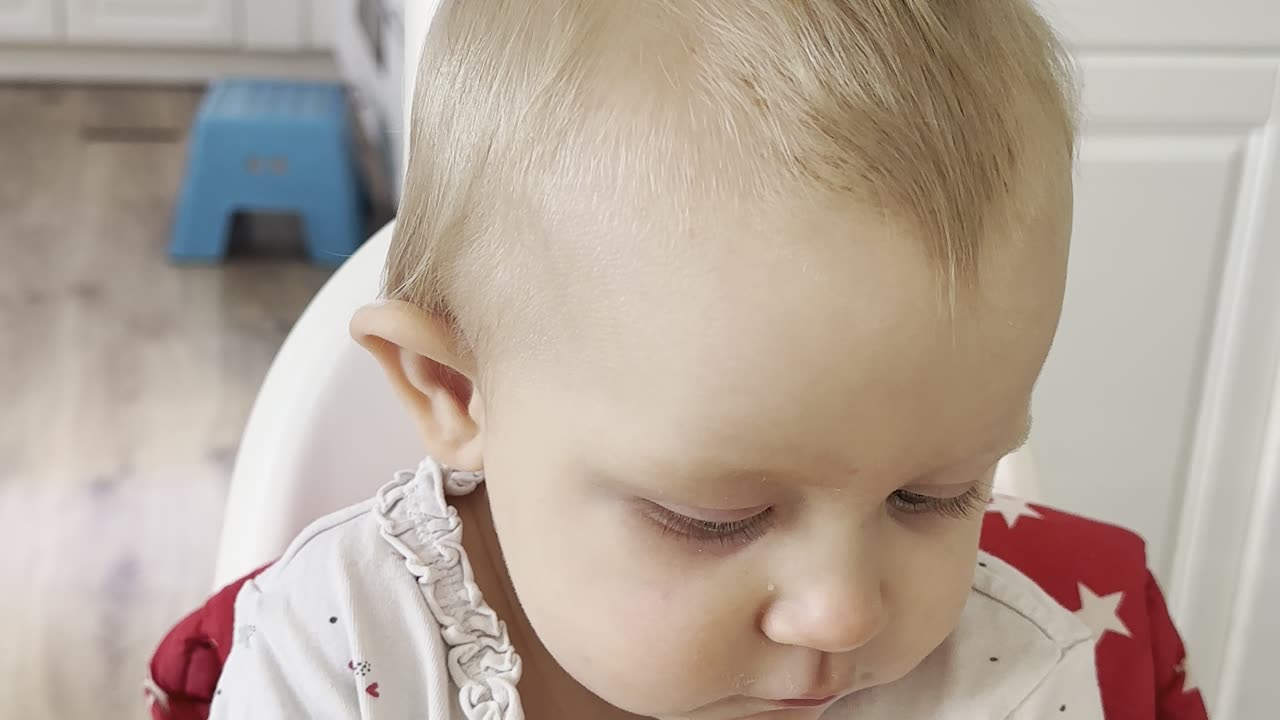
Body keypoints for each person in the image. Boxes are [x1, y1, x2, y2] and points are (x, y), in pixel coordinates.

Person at [205, 1, 1120, 717]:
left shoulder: (1009, 678)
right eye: (713, 518)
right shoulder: (336, 655)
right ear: (457, 389)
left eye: (935, 495)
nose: (843, 613)